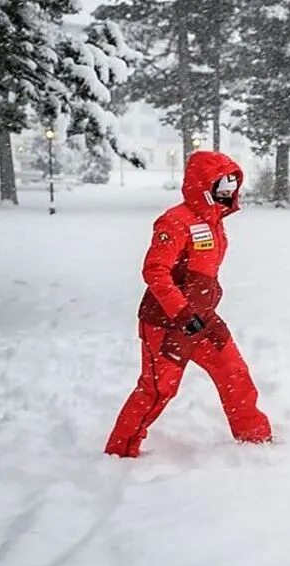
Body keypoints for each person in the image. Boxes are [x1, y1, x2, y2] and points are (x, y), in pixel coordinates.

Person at [105, 150, 272, 458]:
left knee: (234, 373)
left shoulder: (214, 222)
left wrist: (205, 302)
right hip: (168, 324)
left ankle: (256, 440)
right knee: (158, 390)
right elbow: (155, 271)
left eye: (232, 185)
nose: (229, 192)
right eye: (223, 185)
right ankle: (120, 452)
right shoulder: (175, 221)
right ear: (204, 184)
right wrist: (182, 313)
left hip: (203, 319)